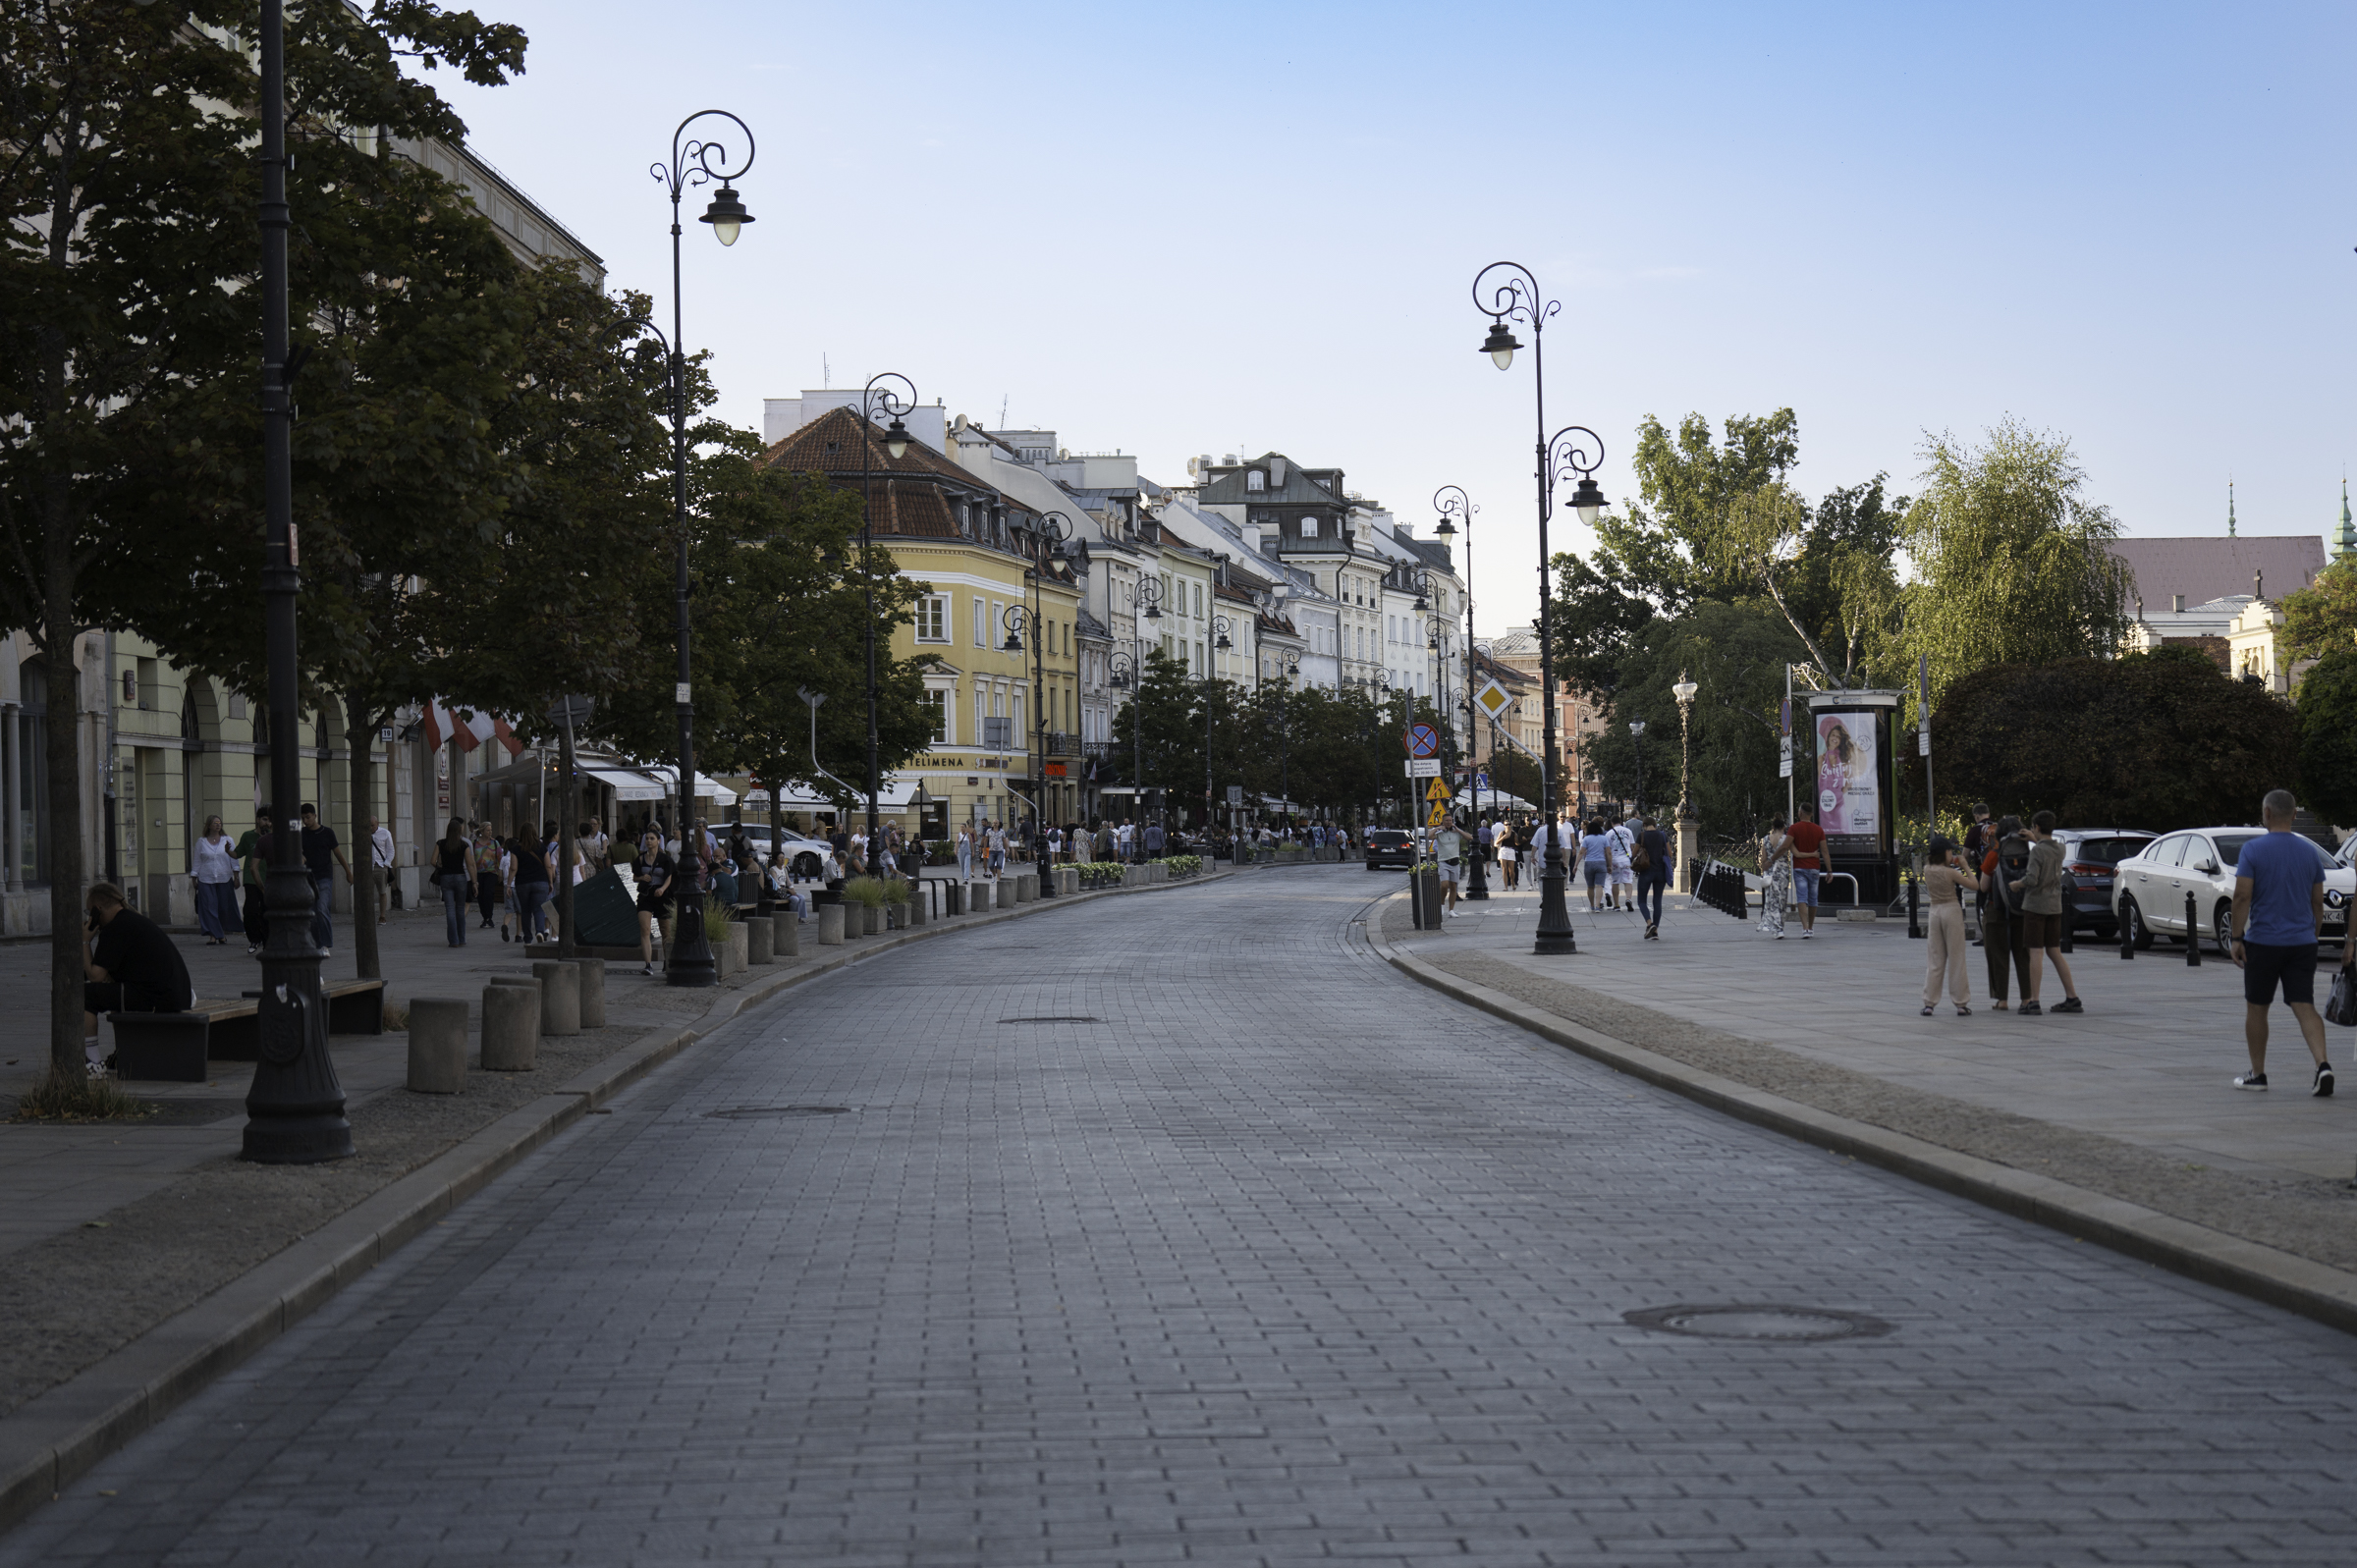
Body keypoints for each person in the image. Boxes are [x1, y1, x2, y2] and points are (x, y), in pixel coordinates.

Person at [2231, 788, 2334, 1094]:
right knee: (2304, 1005)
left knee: (2257, 1006)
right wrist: (2312, 935)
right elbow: (2318, 902)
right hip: (2302, 942)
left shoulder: (2252, 850)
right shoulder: (2309, 853)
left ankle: (2258, 1075)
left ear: (2266, 814)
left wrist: (2237, 937)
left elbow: (2242, 895)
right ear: (2293, 815)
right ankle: (2322, 1065)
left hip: (2263, 941)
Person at [82, 882, 193, 1074]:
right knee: (109, 991)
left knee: (83, 996)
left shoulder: (115, 929)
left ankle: (92, 1063)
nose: (88, 917)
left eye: (88, 912)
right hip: (177, 995)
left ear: (97, 911)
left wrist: (83, 941)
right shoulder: (130, 920)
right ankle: (124, 1053)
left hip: (156, 998)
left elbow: (95, 976)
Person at [2013, 810, 2082, 1016]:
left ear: (2036, 827)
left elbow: (2032, 879)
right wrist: (2036, 838)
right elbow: (2048, 847)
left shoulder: (2037, 852)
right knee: (2054, 951)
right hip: (2055, 906)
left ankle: (2033, 1001)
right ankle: (2072, 997)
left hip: (2036, 906)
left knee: (2035, 952)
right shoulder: (2060, 849)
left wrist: (2016, 884)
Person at [1977, 815, 2032, 1011]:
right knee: (2023, 955)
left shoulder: (1994, 855)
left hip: (1996, 909)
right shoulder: (2029, 853)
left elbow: (1983, 886)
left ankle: (2002, 1000)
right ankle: (2027, 998)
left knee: (1997, 954)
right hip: (2022, 908)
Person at [1920, 837, 1974, 1016]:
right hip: (1951, 910)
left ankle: (1929, 1002)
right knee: (1956, 957)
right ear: (1945, 853)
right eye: (1950, 851)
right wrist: (1965, 866)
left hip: (1934, 912)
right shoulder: (1951, 873)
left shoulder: (1927, 869)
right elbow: (1976, 886)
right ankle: (1960, 1002)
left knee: (1935, 958)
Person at [298, 803, 350, 958]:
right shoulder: (301, 833)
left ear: (315, 815)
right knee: (312, 913)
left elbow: (338, 853)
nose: (305, 821)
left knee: (322, 909)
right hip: (307, 877)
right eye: (302, 818)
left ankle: (325, 943)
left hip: (324, 876)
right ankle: (317, 944)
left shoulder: (327, 832)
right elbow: (296, 850)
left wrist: (348, 871)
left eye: (308, 817)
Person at [191, 814, 239, 946]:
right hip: (206, 879)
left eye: (219, 823)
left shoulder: (227, 840)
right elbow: (197, 861)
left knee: (223, 908)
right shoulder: (201, 842)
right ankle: (213, 935)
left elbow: (234, 858)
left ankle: (220, 932)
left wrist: (236, 876)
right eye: (215, 823)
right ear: (209, 825)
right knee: (209, 907)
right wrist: (194, 877)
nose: (218, 824)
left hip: (224, 877)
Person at [633, 829, 676, 975]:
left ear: (658, 841)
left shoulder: (665, 859)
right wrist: (641, 878)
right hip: (646, 895)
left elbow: (669, 877)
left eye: (652, 839)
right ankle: (648, 965)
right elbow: (635, 877)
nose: (649, 841)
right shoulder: (640, 859)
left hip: (662, 896)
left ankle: (667, 962)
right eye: (647, 839)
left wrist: (663, 888)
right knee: (645, 929)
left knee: (666, 932)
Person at [235, 808, 273, 953]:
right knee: (250, 910)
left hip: (268, 880)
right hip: (252, 880)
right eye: (264, 819)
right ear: (257, 820)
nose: (266, 823)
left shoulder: (271, 837)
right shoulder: (248, 836)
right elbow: (238, 853)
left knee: (266, 911)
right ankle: (254, 939)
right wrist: (228, 852)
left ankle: (267, 941)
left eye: (269, 820)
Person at [432, 816, 474, 947]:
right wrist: (474, 882)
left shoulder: (441, 843)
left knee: (450, 909)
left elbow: (432, 861)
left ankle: (453, 940)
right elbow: (469, 865)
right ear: (460, 831)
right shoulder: (464, 845)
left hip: (446, 877)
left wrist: (441, 867)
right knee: (460, 909)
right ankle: (462, 938)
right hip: (461, 877)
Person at [1785, 803, 1827, 938]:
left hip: (1799, 868)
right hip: (1814, 867)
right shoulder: (1819, 830)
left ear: (1800, 813)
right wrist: (1830, 870)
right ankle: (1811, 926)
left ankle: (1804, 928)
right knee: (1813, 899)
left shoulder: (1794, 829)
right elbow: (1824, 851)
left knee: (1802, 898)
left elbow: (1787, 846)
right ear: (1812, 814)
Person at [1633, 816, 1672, 938]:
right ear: (1654, 824)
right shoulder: (1662, 835)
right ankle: (1655, 931)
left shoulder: (1642, 835)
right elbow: (1669, 853)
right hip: (1660, 872)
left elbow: (1634, 853)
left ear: (1644, 825)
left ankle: (1649, 924)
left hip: (1646, 871)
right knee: (1657, 901)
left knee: (1641, 900)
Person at [1759, 814, 1794, 938]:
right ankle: (1780, 927)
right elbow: (1793, 853)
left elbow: (1763, 859)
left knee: (1772, 900)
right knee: (1782, 899)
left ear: (1773, 827)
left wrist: (1764, 867)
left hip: (1770, 871)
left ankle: (1777, 927)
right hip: (1783, 871)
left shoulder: (1766, 839)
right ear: (1783, 827)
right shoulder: (1786, 839)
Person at [1607, 816, 1638, 912]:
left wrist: (1608, 863)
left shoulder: (1609, 833)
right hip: (1626, 860)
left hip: (1615, 860)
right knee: (1628, 881)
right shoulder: (1628, 831)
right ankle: (1628, 899)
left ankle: (1616, 905)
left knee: (1615, 882)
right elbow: (1632, 846)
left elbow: (1607, 850)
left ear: (1612, 823)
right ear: (1620, 822)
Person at [1579, 819, 1610, 911]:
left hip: (1589, 863)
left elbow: (1581, 852)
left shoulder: (1586, 839)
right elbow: (1608, 852)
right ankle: (1597, 906)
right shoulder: (1604, 838)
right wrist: (1610, 865)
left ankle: (1592, 905)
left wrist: (1576, 865)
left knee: (1590, 886)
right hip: (1601, 862)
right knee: (1599, 885)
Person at [368, 813, 395, 920]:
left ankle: (382, 915)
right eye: (369, 826)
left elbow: (390, 850)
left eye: (373, 825)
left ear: (377, 824)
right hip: (368, 867)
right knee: (367, 892)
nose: (371, 828)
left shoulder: (385, 833)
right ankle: (368, 916)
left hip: (380, 866)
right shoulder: (364, 834)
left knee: (382, 892)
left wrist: (386, 864)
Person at [1436, 819, 1463, 915]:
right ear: (1443, 822)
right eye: (1446, 820)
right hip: (1443, 862)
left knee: (1453, 886)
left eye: (1450, 821)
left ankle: (1451, 910)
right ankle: (1442, 904)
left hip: (1455, 862)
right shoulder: (1439, 833)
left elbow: (1470, 837)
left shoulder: (1456, 832)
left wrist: (1458, 830)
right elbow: (1429, 836)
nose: (1448, 822)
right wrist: (1438, 828)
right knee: (1444, 885)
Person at [1497, 822, 1519, 892]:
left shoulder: (1514, 833)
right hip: (1503, 850)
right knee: (1504, 869)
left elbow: (1517, 843)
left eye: (1509, 824)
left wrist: (1518, 841)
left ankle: (1512, 882)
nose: (1508, 826)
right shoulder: (1502, 833)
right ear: (1504, 826)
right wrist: (1503, 837)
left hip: (1511, 850)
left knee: (1511, 870)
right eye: (1506, 824)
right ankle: (1505, 887)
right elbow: (1497, 842)